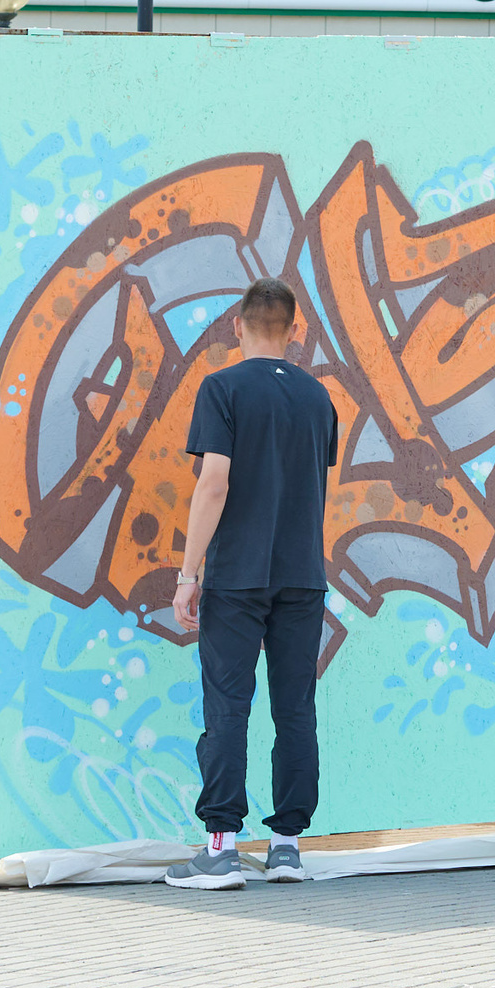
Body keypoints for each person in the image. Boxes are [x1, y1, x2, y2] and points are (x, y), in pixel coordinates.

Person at [165, 278, 341, 892]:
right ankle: (288, 847)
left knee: (228, 707)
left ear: (236, 326)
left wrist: (190, 573)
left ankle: (220, 849)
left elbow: (214, 484)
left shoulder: (222, 389)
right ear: (296, 330)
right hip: (302, 578)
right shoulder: (319, 399)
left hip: (237, 578)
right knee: (295, 709)